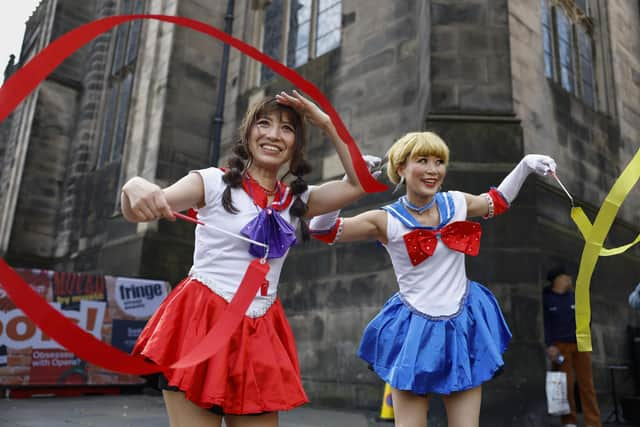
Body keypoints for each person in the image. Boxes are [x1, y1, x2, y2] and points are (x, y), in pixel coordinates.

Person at [120, 90, 378, 427]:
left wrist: (325, 122)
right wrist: (134, 186)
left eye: (286, 128)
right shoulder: (211, 182)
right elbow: (141, 210)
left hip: (259, 330)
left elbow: (361, 183)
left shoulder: (297, 201)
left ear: (296, 143)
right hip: (202, 322)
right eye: (264, 123)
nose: (273, 134)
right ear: (248, 133)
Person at [308, 131, 556, 427]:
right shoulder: (386, 219)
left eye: (439, 161)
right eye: (422, 160)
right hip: (414, 330)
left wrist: (525, 165)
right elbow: (321, 229)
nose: (432, 169)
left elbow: (496, 202)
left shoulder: (457, 203)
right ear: (401, 168)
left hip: (462, 324)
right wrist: (349, 183)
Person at [543, 266, 602, 427]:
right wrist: (550, 345)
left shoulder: (575, 297)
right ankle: (569, 421)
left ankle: (593, 422)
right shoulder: (547, 299)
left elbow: (587, 318)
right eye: (566, 276)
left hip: (580, 344)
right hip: (561, 346)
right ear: (557, 280)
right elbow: (546, 324)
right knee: (565, 385)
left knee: (587, 384)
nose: (569, 279)